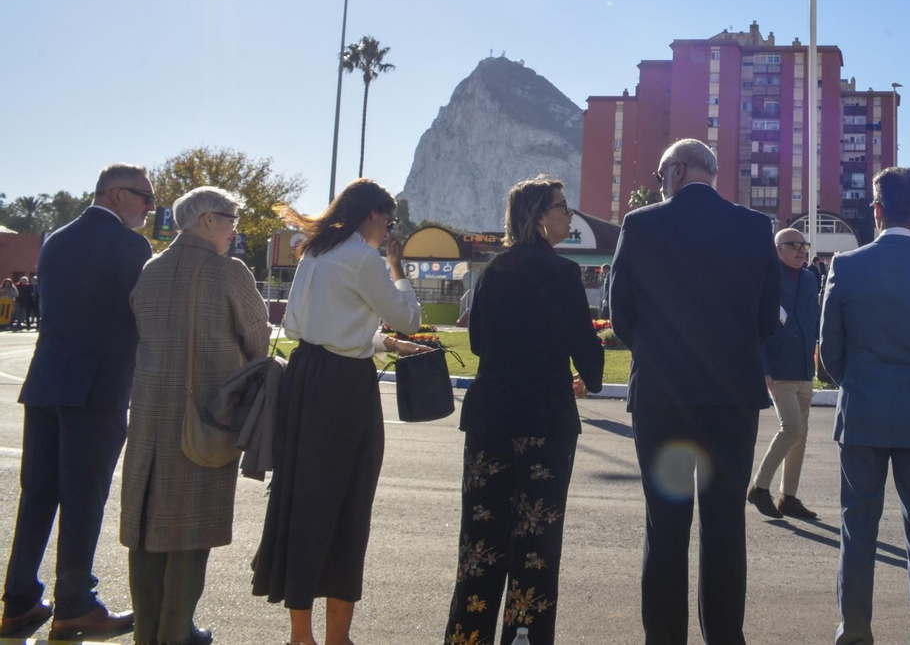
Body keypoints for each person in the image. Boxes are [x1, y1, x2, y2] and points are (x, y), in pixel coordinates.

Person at [608, 139, 780, 644]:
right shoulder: (754, 227)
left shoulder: (640, 226)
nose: (661, 186)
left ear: (678, 170)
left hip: (662, 399)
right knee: (725, 527)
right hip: (731, 399)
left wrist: (658, 352)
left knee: (665, 529)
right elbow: (767, 318)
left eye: (663, 176)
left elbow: (621, 314)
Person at [250, 179, 428, 645]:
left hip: (305, 375)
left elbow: (324, 327)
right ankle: (337, 637)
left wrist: (383, 342)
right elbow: (409, 316)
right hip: (344, 389)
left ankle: (300, 635)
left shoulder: (315, 253)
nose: (388, 229)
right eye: (388, 221)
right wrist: (397, 268)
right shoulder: (363, 258)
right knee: (347, 504)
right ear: (372, 215)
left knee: (300, 499)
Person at [445, 176, 605, 645]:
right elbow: (587, 352)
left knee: (480, 541)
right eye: (561, 207)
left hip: (491, 419)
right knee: (535, 543)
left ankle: (468, 636)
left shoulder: (494, 271)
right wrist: (588, 379)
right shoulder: (562, 273)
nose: (569, 215)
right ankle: (524, 636)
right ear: (539, 217)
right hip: (543, 420)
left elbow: (477, 342)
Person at [1, 163, 154, 641]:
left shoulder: (58, 239)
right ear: (114, 195)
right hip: (97, 388)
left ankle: (18, 602)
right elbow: (143, 311)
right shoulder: (129, 245)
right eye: (144, 197)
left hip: (46, 381)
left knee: (38, 496)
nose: (151, 208)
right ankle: (76, 605)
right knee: (85, 497)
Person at [819, 166, 910, 645]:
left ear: (875, 210)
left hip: (861, 413)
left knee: (856, 530)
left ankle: (855, 632)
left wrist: (858, 384)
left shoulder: (847, 266)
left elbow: (830, 351)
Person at [120, 187, 271, 645]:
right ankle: (175, 633)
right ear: (206, 221)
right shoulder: (228, 273)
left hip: (148, 422)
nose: (234, 231)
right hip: (204, 421)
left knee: (147, 529)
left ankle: (147, 633)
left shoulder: (150, 270)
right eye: (230, 220)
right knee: (190, 530)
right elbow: (258, 343)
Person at [748, 227, 822, 520]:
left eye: (804, 244)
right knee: (791, 427)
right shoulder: (767, 277)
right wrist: (763, 368)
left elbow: (812, 319)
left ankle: (788, 497)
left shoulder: (809, 277)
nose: (801, 250)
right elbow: (757, 325)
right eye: (794, 245)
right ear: (778, 248)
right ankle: (758, 487)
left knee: (800, 435)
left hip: (803, 365)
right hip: (778, 366)